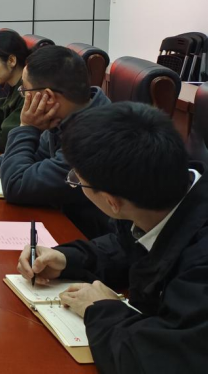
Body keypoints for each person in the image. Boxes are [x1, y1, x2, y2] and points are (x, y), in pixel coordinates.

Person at [17, 102, 208, 373]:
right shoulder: (167, 196)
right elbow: (130, 246)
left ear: (111, 202)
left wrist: (101, 308)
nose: (75, 183)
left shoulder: (201, 264)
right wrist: (68, 259)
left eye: (76, 180)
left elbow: (163, 360)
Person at [0, 46, 111, 239]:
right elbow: (39, 156)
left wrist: (26, 126)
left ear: (47, 97)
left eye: (24, 90)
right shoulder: (69, 113)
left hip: (86, 238)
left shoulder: (92, 135)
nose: (23, 95)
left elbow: (17, 186)